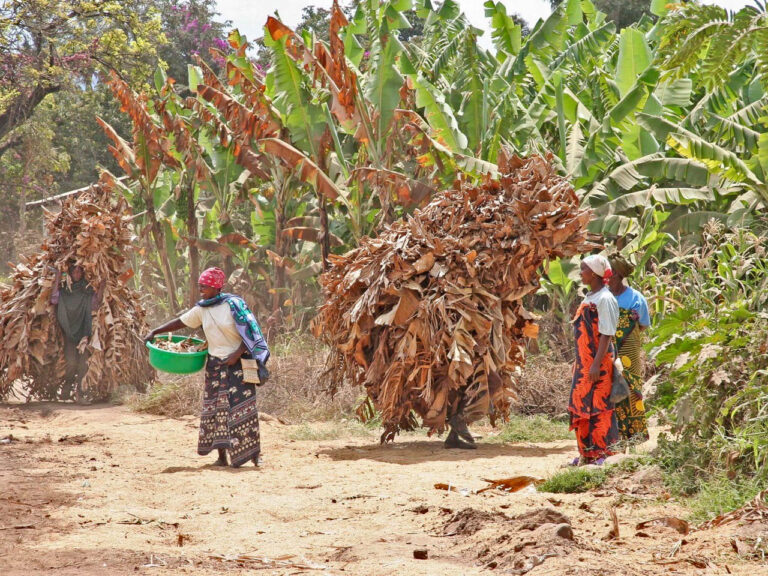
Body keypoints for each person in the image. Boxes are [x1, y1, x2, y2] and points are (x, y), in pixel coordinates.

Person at [144, 267, 269, 468]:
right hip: (215, 365)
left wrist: (235, 355)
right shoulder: (202, 309)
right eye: (200, 286)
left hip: (237, 365)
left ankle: (254, 455)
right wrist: (155, 332)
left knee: (243, 409)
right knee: (215, 410)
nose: (201, 289)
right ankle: (221, 456)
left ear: (216, 287)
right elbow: (180, 322)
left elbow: (251, 335)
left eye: (205, 286)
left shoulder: (234, 305)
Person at [569, 254, 620, 466]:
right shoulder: (591, 296)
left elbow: (607, 334)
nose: (581, 273)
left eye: (583, 269)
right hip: (584, 364)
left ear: (595, 273)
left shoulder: (605, 299)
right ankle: (586, 454)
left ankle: (602, 455)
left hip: (598, 364)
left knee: (600, 408)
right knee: (581, 405)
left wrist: (596, 364)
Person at [608, 255, 651, 447]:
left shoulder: (636, 298)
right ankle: (613, 434)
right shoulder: (604, 296)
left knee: (631, 388)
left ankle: (635, 434)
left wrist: (622, 334)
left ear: (617, 275)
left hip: (629, 350)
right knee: (609, 387)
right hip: (607, 349)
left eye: (609, 273)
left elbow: (642, 325)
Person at [50, 264, 105, 403]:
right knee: (71, 362)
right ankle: (67, 388)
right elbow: (54, 299)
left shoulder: (86, 291)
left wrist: (102, 285)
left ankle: (81, 392)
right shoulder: (65, 291)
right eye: (74, 271)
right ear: (70, 274)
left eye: (79, 271)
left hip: (84, 333)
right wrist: (57, 276)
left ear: (83, 273)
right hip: (68, 332)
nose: (77, 274)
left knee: (83, 363)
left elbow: (96, 303)